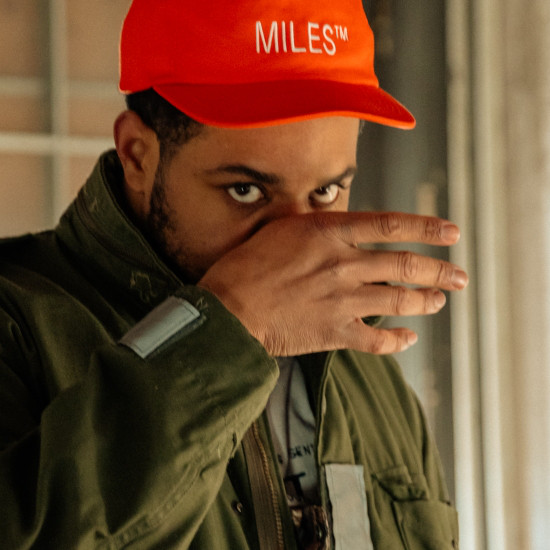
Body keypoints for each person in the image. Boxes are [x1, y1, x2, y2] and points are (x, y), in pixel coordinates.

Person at [0, 0, 467, 548]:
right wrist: (230, 328)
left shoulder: (370, 378)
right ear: (137, 155)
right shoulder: (17, 324)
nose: (297, 248)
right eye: (246, 191)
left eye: (326, 191)